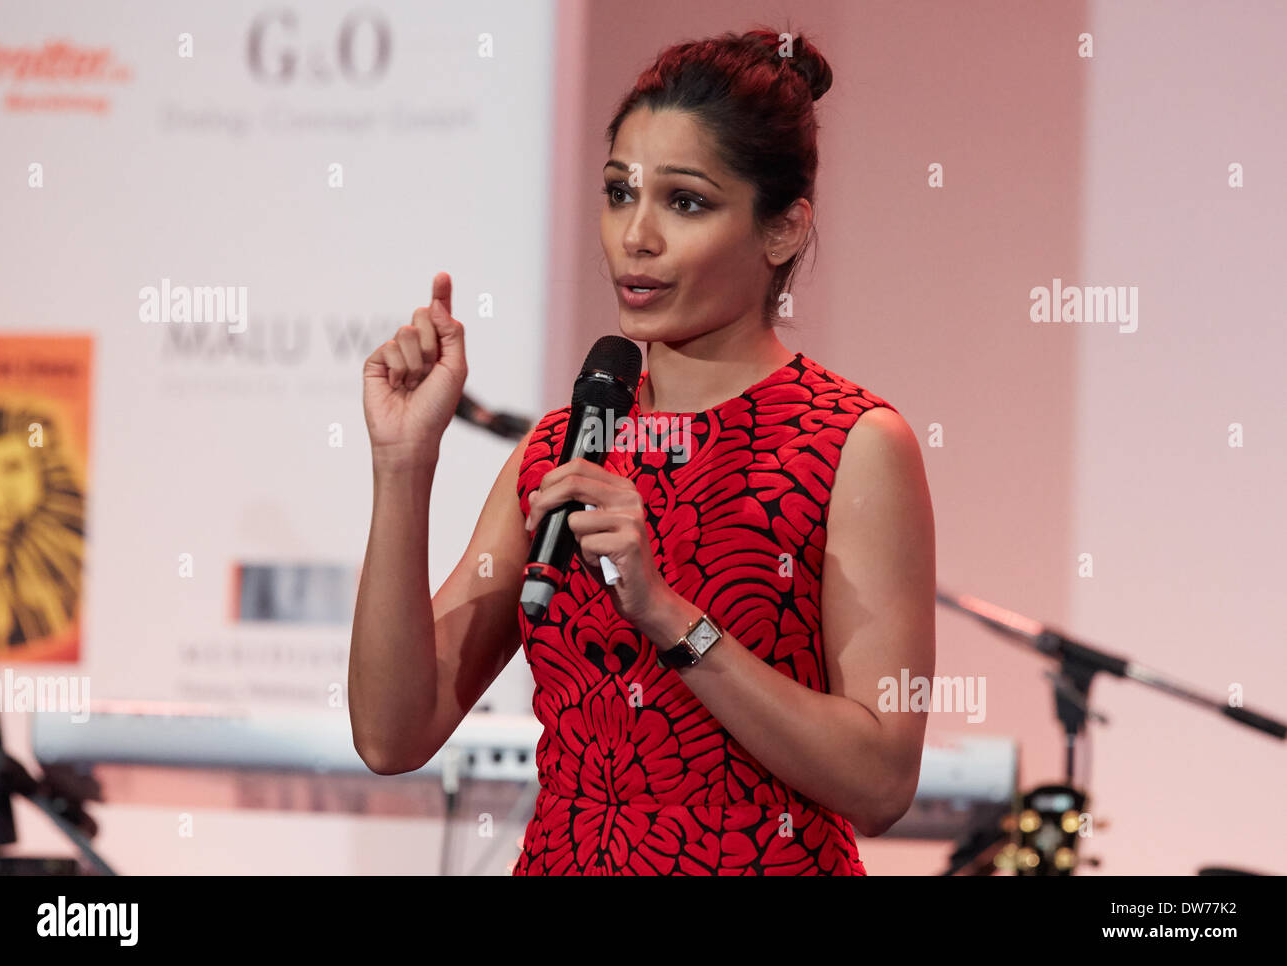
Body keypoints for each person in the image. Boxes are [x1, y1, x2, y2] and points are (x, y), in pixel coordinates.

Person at [349, 26, 935, 875]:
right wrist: (403, 465)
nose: (636, 235)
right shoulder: (561, 448)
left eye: (685, 202)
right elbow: (390, 734)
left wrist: (666, 613)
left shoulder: (851, 443)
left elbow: (881, 782)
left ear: (781, 230)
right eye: (619, 193)